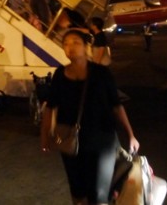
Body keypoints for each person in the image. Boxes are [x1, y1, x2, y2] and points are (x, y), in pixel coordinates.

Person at [41, 28, 139, 205]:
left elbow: (116, 106)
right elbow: (50, 107)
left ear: (86, 46)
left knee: (98, 193)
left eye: (76, 43)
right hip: (70, 141)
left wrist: (130, 135)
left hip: (102, 140)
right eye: (66, 44)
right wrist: (44, 137)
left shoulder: (101, 73)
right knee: (77, 189)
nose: (70, 47)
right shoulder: (59, 75)